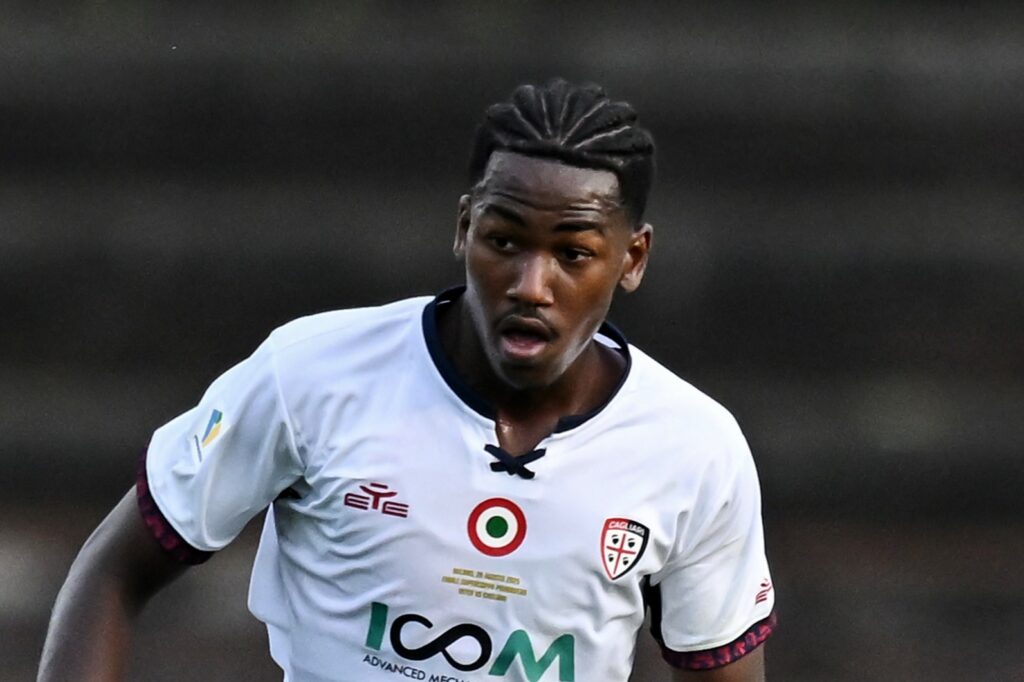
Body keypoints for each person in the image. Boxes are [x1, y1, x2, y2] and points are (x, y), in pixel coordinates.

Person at [39, 78, 776, 682]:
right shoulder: (313, 374)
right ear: (464, 227)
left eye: (573, 254)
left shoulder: (694, 450)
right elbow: (113, 572)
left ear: (632, 258)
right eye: (503, 240)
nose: (530, 284)